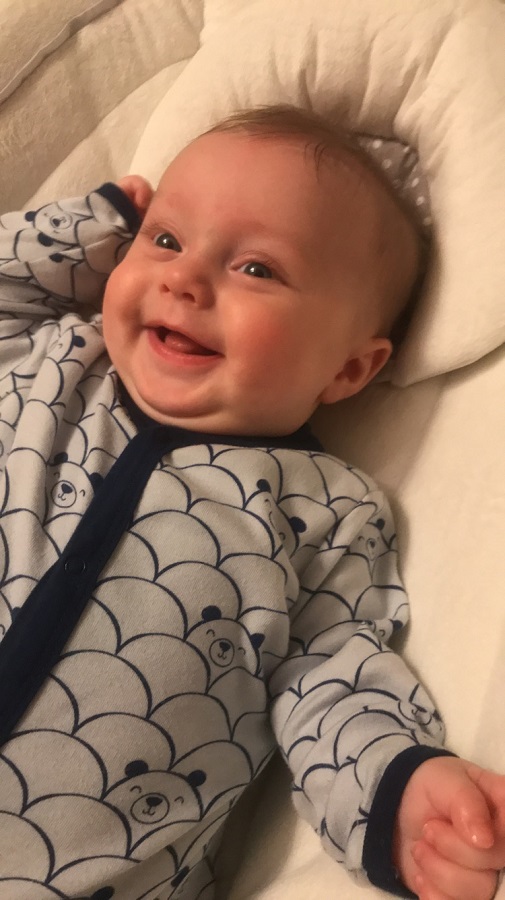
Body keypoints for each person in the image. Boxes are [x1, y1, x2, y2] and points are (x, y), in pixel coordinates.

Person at [0, 104, 503, 900]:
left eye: (257, 269)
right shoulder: (48, 354)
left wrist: (396, 788)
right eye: (166, 239)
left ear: (348, 369)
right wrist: (95, 225)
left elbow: (331, 676)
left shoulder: (323, 512)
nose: (183, 278)